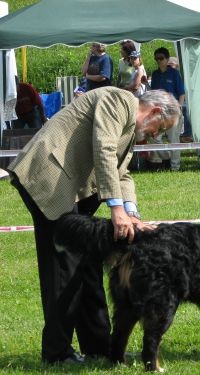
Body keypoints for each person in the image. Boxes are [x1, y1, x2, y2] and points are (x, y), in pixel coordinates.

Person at [7, 87, 181, 364]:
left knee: (89, 264)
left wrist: (131, 213)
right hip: (50, 179)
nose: (156, 136)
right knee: (64, 269)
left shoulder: (129, 126)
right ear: (156, 112)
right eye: (160, 128)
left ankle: (99, 346)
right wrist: (115, 208)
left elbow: (121, 172)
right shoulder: (119, 100)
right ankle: (57, 353)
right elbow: (104, 149)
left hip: (72, 187)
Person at [149, 47, 186, 171]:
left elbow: (181, 93)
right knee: (155, 137)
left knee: (173, 139)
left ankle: (175, 167)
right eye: (156, 58)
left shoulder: (174, 73)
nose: (159, 61)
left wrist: (179, 107)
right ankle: (166, 158)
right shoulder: (155, 74)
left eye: (161, 58)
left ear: (167, 59)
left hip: (173, 111)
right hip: (159, 112)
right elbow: (153, 93)